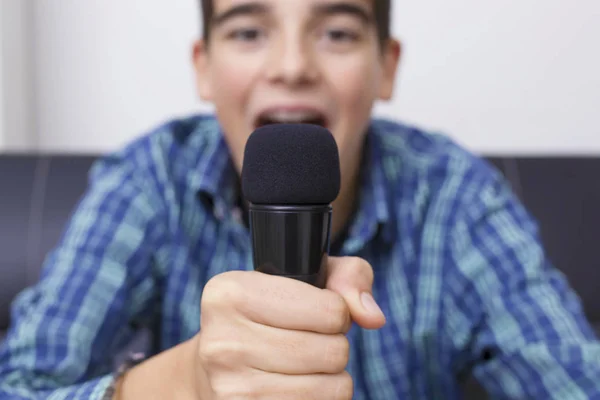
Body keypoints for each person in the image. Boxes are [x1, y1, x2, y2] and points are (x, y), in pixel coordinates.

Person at [1, 0, 599, 398]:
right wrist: (187, 381)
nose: (291, 67)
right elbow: (19, 384)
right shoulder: (149, 179)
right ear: (203, 67)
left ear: (385, 67)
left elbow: (574, 379)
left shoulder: (455, 194)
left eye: (337, 32)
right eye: (248, 30)